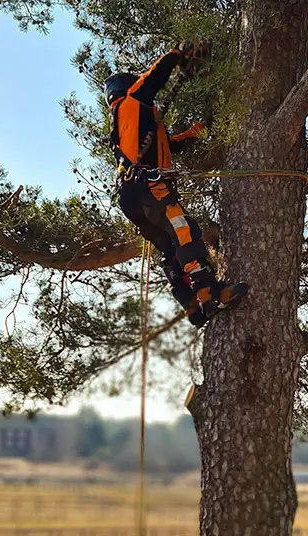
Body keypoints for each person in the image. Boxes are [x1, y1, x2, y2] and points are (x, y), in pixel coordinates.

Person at [104, 40, 248, 328]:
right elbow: (152, 79)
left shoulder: (134, 124)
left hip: (131, 194)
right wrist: (178, 54)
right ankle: (209, 292)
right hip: (147, 186)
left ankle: (190, 304)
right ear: (126, 90)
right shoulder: (131, 102)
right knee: (184, 231)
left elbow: (173, 144)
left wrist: (202, 129)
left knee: (172, 249)